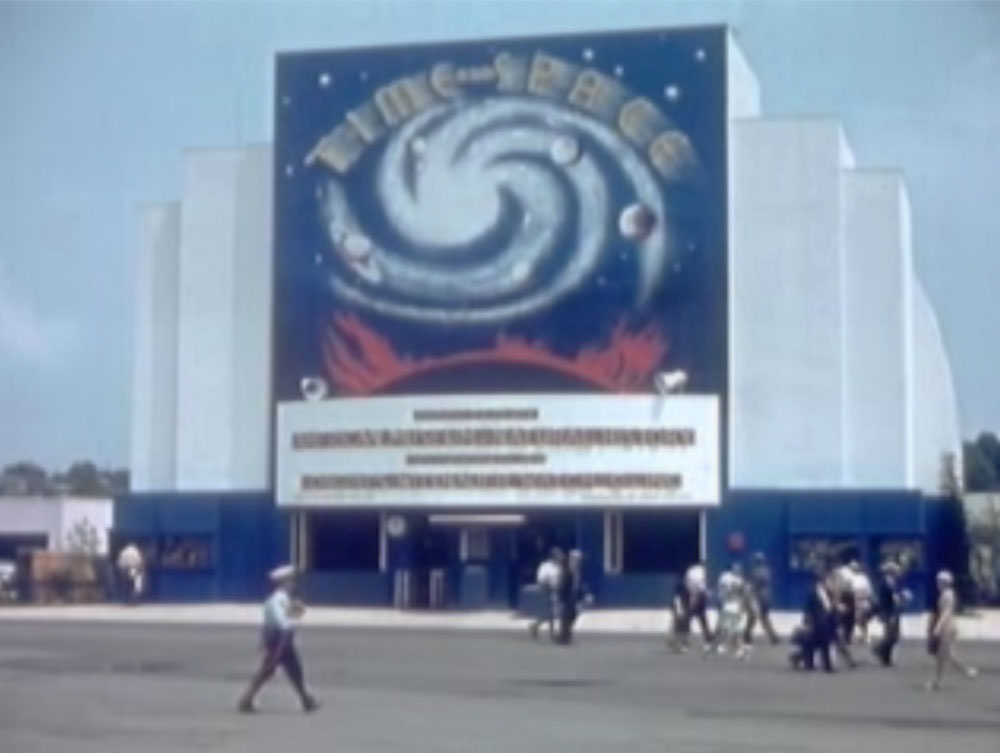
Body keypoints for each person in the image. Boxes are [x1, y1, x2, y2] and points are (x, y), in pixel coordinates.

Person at [238, 565, 320, 713]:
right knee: (270, 670)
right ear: (283, 583)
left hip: (280, 639)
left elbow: (295, 616)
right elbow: (284, 623)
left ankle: (306, 699)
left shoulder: (282, 599)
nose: (293, 584)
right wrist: (280, 643)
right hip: (280, 639)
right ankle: (246, 700)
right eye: (290, 581)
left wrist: (298, 605)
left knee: (292, 670)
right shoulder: (278, 600)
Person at [926, 570, 978, 690]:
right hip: (947, 626)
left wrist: (938, 627)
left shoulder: (947, 595)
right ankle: (965, 671)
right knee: (945, 655)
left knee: (944, 655)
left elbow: (946, 613)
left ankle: (940, 681)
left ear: (944, 582)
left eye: (939, 581)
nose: (938, 583)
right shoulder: (945, 594)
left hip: (947, 628)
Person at [790, 569, 837, 673]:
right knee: (814, 644)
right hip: (816, 621)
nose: (829, 582)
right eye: (827, 580)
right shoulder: (813, 592)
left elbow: (829, 606)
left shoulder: (828, 592)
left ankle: (826, 666)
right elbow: (808, 607)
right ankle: (812, 664)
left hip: (826, 621)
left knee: (821, 644)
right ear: (821, 581)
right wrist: (807, 622)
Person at [872, 560, 906, 667]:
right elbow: (892, 598)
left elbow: (896, 597)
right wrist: (901, 598)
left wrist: (902, 597)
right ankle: (879, 649)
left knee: (894, 636)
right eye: (896, 571)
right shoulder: (887, 583)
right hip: (889, 612)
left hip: (892, 611)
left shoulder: (892, 583)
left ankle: (886, 658)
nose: (899, 573)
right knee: (891, 636)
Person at [712, 563, 749, 659]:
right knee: (735, 628)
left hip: (728, 605)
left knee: (726, 626)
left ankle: (723, 646)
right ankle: (736, 648)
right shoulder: (739, 581)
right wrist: (742, 607)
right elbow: (743, 595)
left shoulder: (725, 578)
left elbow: (721, 590)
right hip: (734, 606)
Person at [556, 550, 592, 645]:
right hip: (566, 596)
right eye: (576, 559)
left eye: (579, 559)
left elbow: (582, 584)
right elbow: (562, 584)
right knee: (566, 616)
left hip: (574, 596)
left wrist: (586, 594)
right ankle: (564, 636)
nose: (578, 561)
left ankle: (565, 634)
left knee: (573, 615)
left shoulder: (579, 571)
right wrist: (560, 598)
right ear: (571, 559)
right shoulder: (567, 570)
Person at [744, 552, 780, 645]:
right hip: (768, 596)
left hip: (759, 597)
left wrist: (749, 594)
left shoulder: (756, 572)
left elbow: (754, 585)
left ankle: (747, 635)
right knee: (764, 617)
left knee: (754, 617)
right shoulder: (767, 570)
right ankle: (773, 636)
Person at [529, 547, 564, 641]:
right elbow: (540, 579)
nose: (561, 557)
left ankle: (539, 627)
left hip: (556, 591)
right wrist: (549, 584)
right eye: (559, 555)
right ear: (553, 556)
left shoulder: (559, 567)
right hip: (546, 591)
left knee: (553, 613)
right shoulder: (545, 566)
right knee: (549, 613)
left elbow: (560, 580)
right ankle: (537, 627)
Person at [684, 561, 714, 644]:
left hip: (690, 594)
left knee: (690, 617)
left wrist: (691, 593)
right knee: (701, 617)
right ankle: (707, 637)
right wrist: (706, 592)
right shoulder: (701, 571)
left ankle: (685, 637)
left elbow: (687, 582)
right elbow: (701, 584)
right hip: (699, 595)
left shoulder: (690, 570)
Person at [849, 560, 874, 644]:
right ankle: (864, 636)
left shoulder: (859, 578)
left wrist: (862, 598)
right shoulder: (860, 578)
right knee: (860, 620)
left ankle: (864, 636)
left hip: (860, 601)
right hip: (860, 601)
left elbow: (859, 591)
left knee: (861, 619)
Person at [668, 575, 692, 653]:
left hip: (681, 609)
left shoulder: (684, 589)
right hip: (682, 609)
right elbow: (678, 599)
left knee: (679, 628)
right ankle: (680, 644)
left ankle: (678, 643)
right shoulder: (684, 589)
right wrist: (680, 610)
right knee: (682, 628)